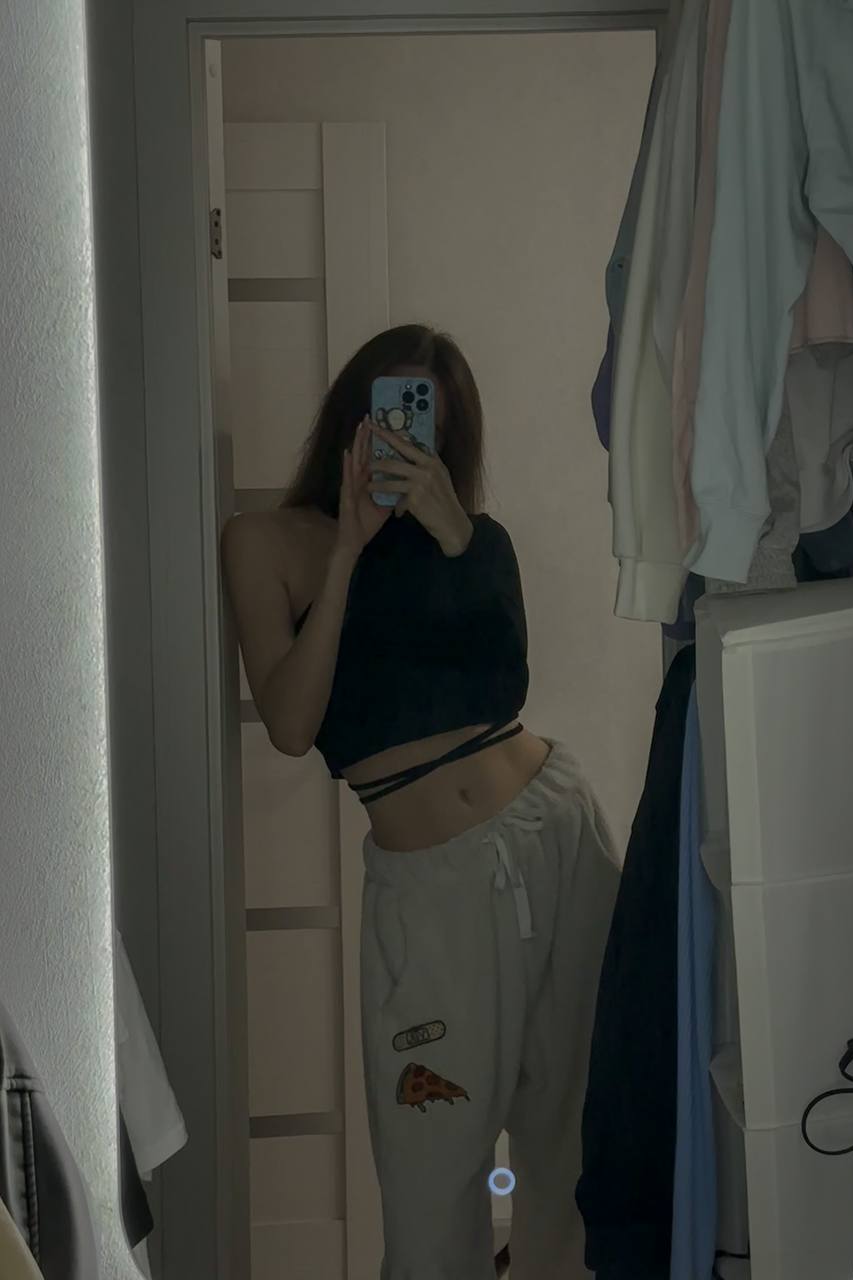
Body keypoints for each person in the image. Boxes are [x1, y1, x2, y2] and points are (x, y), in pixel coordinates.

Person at [221, 324, 620, 1280]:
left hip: (556, 829)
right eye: (390, 412)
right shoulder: (266, 542)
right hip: (433, 889)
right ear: (351, 416)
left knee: (581, 1146)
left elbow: (507, 678)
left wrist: (455, 536)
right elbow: (290, 722)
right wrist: (348, 551)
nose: (404, 436)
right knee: (430, 1176)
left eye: (427, 423)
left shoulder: (477, 543)